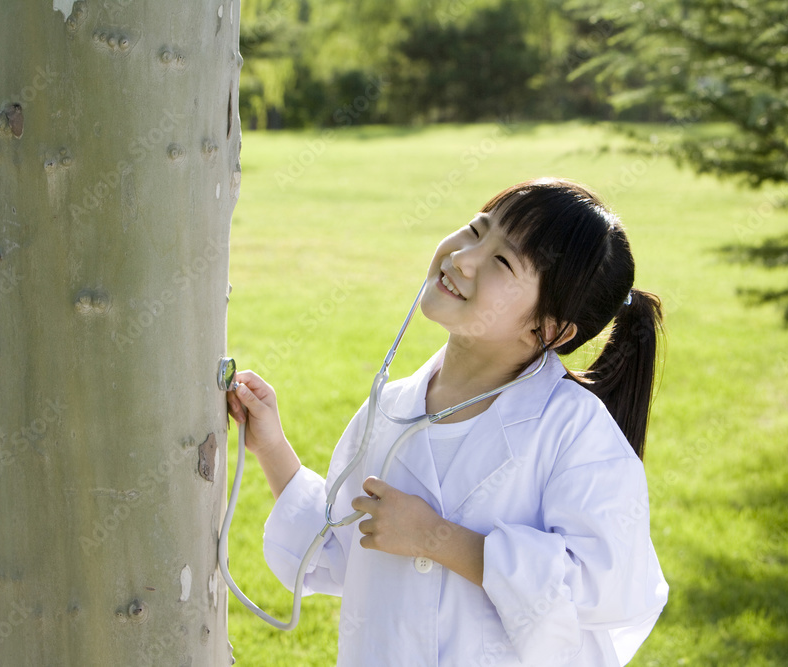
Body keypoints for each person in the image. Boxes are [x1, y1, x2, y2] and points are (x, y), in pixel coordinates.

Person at [226, 177, 669, 666]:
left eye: (501, 261)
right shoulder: (394, 405)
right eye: (478, 230)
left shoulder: (574, 431)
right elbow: (340, 548)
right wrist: (270, 444)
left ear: (546, 328)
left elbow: (604, 589)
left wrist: (438, 538)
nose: (463, 257)